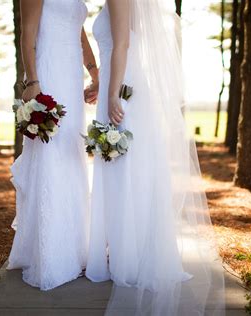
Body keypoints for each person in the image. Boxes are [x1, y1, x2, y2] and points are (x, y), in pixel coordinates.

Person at [86, 0, 226, 314]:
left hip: (123, 91)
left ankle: (130, 259)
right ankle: (128, 251)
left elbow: (122, 44)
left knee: (125, 170)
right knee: (128, 170)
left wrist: (112, 93)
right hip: (122, 83)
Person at [7, 0, 98, 291]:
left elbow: (79, 33)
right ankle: (49, 253)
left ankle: (75, 247)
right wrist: (32, 80)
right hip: (47, 72)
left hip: (71, 76)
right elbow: (27, 31)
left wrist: (95, 73)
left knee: (71, 155)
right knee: (49, 155)